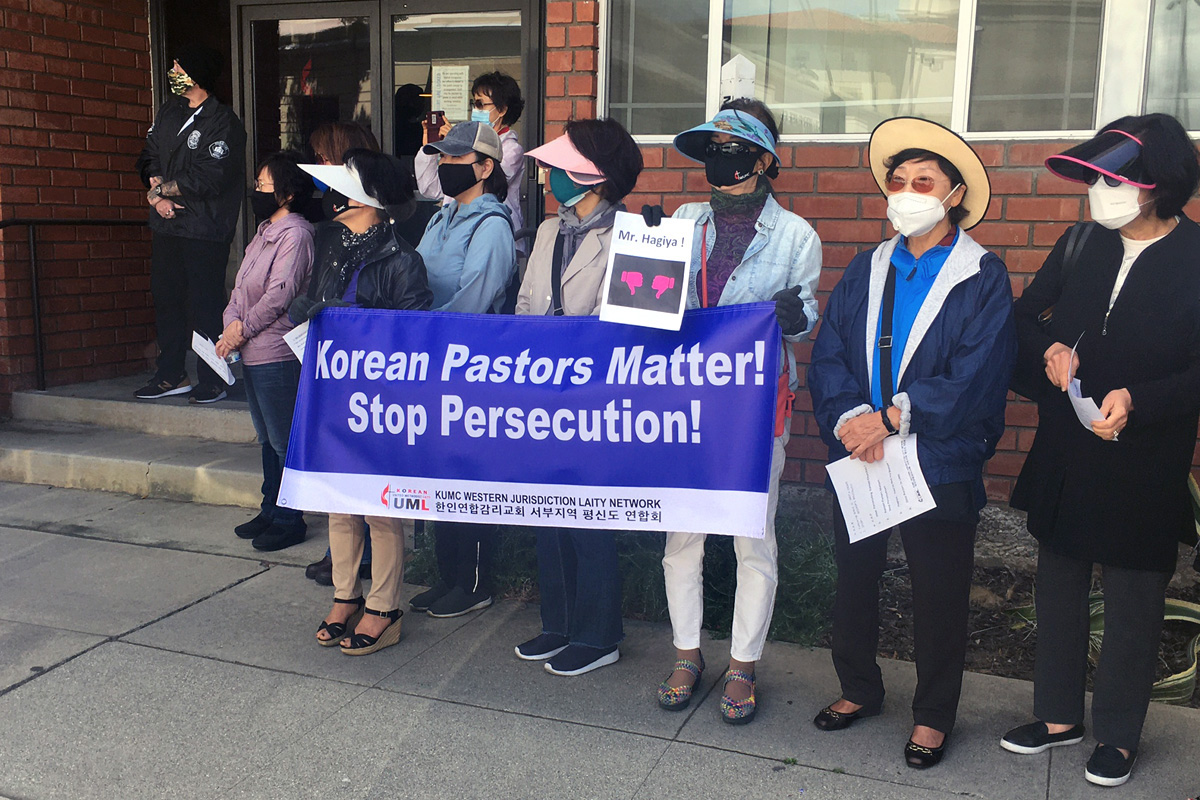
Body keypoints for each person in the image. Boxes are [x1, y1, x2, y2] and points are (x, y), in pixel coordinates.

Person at [807, 116, 1016, 768]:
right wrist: (850, 421)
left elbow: (977, 377)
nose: (905, 191)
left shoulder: (982, 274)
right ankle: (859, 688)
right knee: (855, 579)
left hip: (937, 457)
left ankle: (932, 716)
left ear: (954, 194)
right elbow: (831, 353)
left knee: (938, 590)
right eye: (897, 181)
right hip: (862, 450)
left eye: (922, 181)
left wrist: (892, 420)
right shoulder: (868, 266)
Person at [1001, 114, 1200, 788]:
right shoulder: (1081, 241)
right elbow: (1025, 318)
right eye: (1096, 179)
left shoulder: (1197, 257)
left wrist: (1138, 401)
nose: (1098, 192)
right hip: (1068, 445)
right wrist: (1048, 349)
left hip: (1145, 456)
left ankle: (1117, 734)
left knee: (1134, 602)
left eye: (1111, 179)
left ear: (1155, 186)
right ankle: (1057, 717)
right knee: (1058, 581)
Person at [652, 100, 821, 725]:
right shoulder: (683, 220)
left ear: (763, 159)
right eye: (711, 149)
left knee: (753, 540)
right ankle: (688, 653)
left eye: (732, 148)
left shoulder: (797, 235)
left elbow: (803, 323)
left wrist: (795, 319)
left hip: (753, 411)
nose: (718, 161)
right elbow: (653, 312)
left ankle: (744, 664)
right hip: (683, 407)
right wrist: (642, 257)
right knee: (683, 537)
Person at [511, 118, 643, 675]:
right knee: (549, 511)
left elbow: (633, 327)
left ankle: (598, 634)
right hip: (544, 397)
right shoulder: (546, 231)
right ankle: (559, 623)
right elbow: (525, 302)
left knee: (590, 517)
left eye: (559, 165)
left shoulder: (636, 235)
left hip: (598, 399)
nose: (547, 174)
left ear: (592, 176)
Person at [292, 149, 433, 655]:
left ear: (373, 199)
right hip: (331, 393)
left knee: (379, 506)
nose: (333, 196)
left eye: (346, 186)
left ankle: (385, 604)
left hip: (380, 401)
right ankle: (345, 593)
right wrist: (309, 310)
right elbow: (304, 303)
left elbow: (415, 335)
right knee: (339, 501)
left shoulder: (403, 260)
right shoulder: (332, 245)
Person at [408, 121, 517, 618]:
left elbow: (475, 298)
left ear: (485, 167)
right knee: (439, 475)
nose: (443, 166)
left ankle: (474, 583)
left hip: (470, 369)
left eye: (453, 160)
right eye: (441, 159)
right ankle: (448, 574)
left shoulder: (492, 225)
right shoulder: (441, 217)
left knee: (467, 478)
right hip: (432, 362)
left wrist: (419, 331)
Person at [134, 44, 246, 403]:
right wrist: (157, 191)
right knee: (165, 297)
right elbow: (149, 153)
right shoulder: (170, 111)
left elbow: (210, 176)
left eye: (179, 65)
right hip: (166, 226)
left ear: (196, 71)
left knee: (204, 304)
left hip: (204, 229)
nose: (174, 70)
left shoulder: (222, 121)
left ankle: (213, 379)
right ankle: (170, 374)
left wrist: (161, 192)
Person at [216, 151, 315, 552]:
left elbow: (280, 294)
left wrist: (240, 332)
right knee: (265, 437)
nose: (256, 191)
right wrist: (229, 325)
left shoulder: (296, 233)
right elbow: (240, 289)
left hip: (276, 350)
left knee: (283, 438)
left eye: (263, 185)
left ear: (288, 192)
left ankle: (291, 517)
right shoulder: (262, 231)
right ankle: (270, 507)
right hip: (250, 349)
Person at [301, 122, 383, 586]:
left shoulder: (388, 247)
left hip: (367, 371)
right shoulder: (331, 236)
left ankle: (365, 560)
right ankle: (342, 563)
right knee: (338, 470)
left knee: (364, 470)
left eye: (323, 161)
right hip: (334, 367)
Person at [415, 72, 526, 248]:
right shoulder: (470, 144)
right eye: (474, 103)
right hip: (456, 229)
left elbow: (487, 183)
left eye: (481, 104)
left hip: (489, 233)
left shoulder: (512, 149)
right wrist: (433, 149)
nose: (476, 110)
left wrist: (457, 143)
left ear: (503, 109)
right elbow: (431, 189)